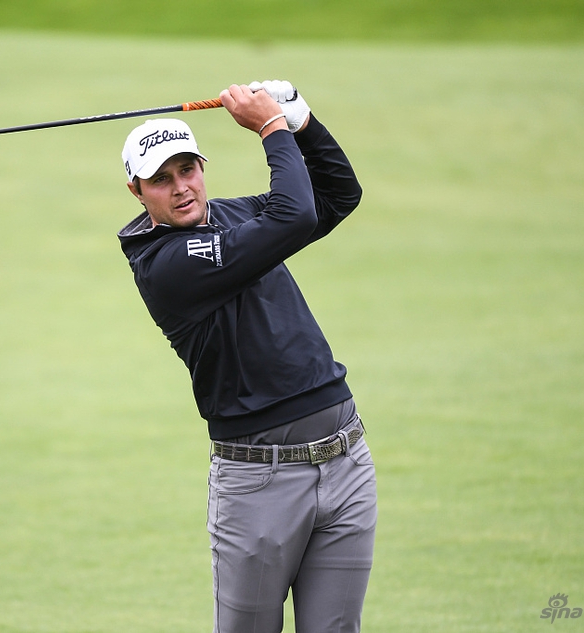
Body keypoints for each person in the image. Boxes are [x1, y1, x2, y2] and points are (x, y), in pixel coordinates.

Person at [117, 81, 377, 633]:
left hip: (346, 460)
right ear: (136, 190)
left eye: (188, 170)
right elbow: (292, 216)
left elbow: (336, 196)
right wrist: (270, 127)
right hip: (259, 482)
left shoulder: (230, 218)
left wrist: (300, 118)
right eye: (161, 179)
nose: (181, 188)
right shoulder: (165, 266)